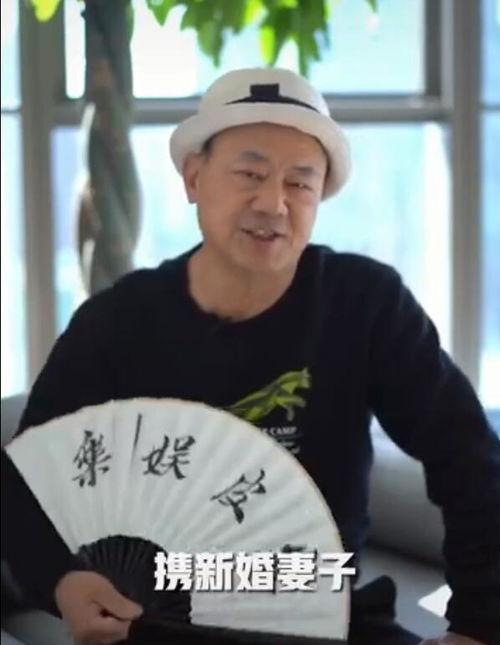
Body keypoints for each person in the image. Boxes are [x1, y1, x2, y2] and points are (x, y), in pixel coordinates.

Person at [2, 68, 499, 645]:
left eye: (300, 183)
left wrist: (478, 624)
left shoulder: (365, 305)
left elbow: (468, 456)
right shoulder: (117, 323)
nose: (273, 203)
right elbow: (24, 481)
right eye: (250, 174)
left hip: (327, 621)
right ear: (194, 177)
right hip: (158, 625)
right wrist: (61, 581)